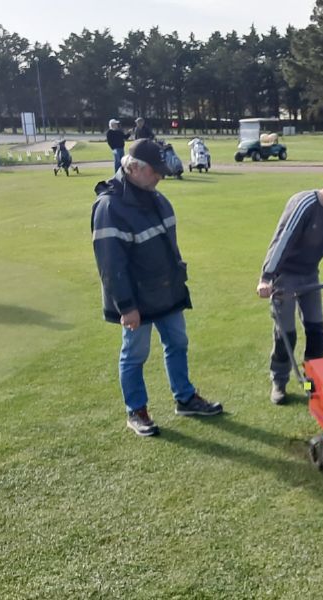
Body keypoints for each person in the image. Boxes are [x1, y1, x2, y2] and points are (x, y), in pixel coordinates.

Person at [91, 139, 223, 437]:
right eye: (155, 171)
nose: (160, 176)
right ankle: (136, 410)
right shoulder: (110, 207)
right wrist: (126, 306)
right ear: (134, 168)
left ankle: (185, 397)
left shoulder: (155, 197)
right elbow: (111, 265)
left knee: (178, 342)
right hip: (136, 299)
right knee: (135, 354)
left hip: (167, 292)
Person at [257, 166, 323, 405]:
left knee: (317, 332)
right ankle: (279, 381)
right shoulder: (304, 205)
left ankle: (311, 382)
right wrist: (266, 278)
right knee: (286, 335)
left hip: (309, 276)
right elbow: (281, 241)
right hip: (286, 276)